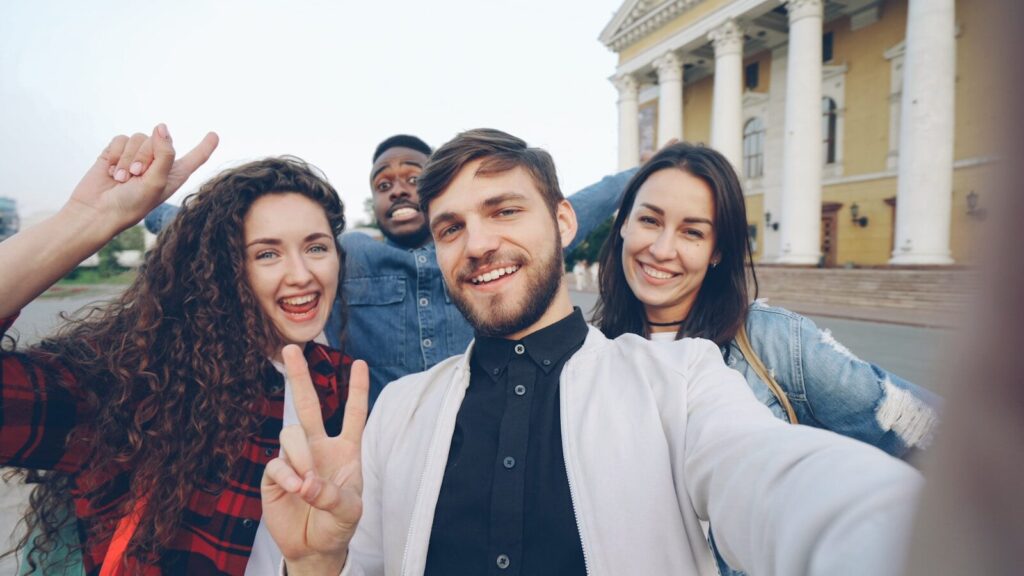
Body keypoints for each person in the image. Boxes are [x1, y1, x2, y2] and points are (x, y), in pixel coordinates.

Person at [261, 129, 923, 576]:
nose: (479, 243)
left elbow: (768, 473)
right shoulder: (399, 410)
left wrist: (887, 533)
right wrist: (315, 566)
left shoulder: (680, 378)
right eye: (452, 228)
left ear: (563, 222)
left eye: (504, 211)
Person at [0, 125, 365, 575]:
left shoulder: (340, 382)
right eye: (267, 254)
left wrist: (321, 560)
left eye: (316, 247)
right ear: (225, 269)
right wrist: (88, 218)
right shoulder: (137, 378)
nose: (302, 274)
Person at [591, 142, 941, 575]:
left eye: (692, 232)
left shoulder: (771, 339)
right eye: (650, 220)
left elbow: (928, 429)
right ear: (623, 225)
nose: (662, 249)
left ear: (717, 251)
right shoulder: (591, 355)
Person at [147, 134, 634, 407]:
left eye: (413, 178)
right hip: (380, 448)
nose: (398, 189)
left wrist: (646, 172)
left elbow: (574, 209)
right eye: (383, 184)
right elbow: (224, 240)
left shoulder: (476, 254)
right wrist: (144, 204)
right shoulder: (346, 254)